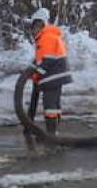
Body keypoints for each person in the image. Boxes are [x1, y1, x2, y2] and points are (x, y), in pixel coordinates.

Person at [27, 8, 72, 139]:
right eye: (32, 28)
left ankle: (51, 134)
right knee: (55, 105)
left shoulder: (46, 38)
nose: (32, 31)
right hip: (55, 76)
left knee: (50, 105)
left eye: (35, 27)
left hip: (53, 76)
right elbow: (40, 60)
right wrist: (32, 71)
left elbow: (47, 61)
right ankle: (54, 132)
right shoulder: (45, 38)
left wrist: (37, 74)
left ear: (41, 25)